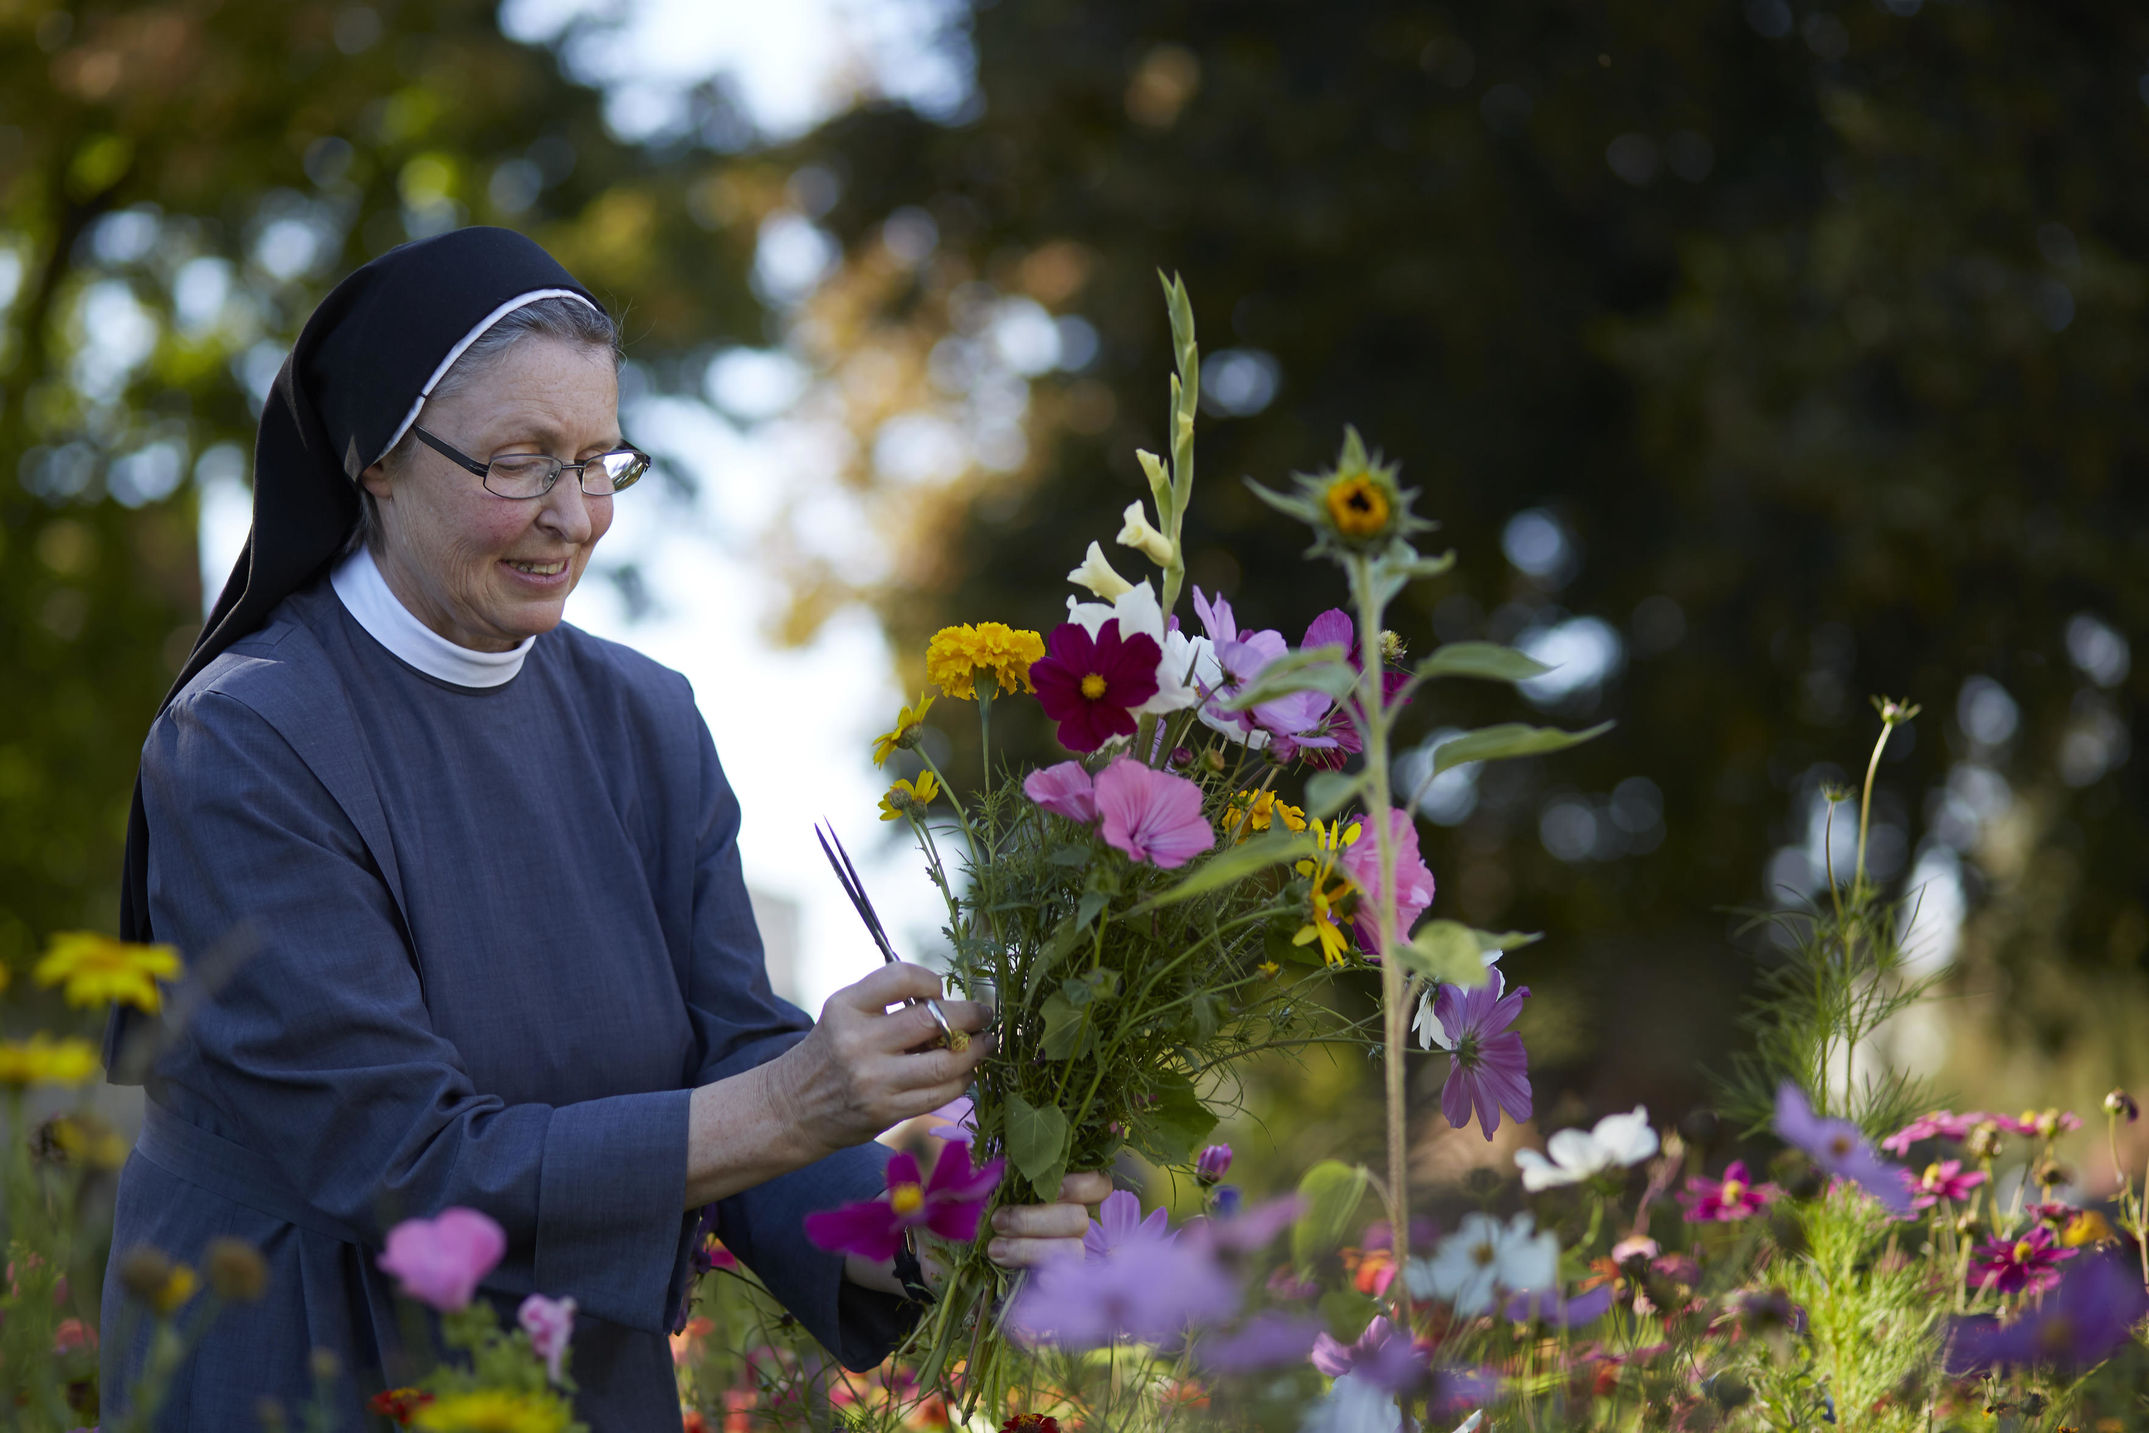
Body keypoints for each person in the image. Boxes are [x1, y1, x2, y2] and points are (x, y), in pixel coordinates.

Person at [101, 227, 1104, 1430]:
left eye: (598, 460)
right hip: (305, 1358)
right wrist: (794, 1105)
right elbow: (402, 1164)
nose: (574, 516)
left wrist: (913, 1235)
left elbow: (733, 1045)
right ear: (372, 455)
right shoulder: (251, 739)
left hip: (582, 1374)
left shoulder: (648, 719)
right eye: (520, 461)